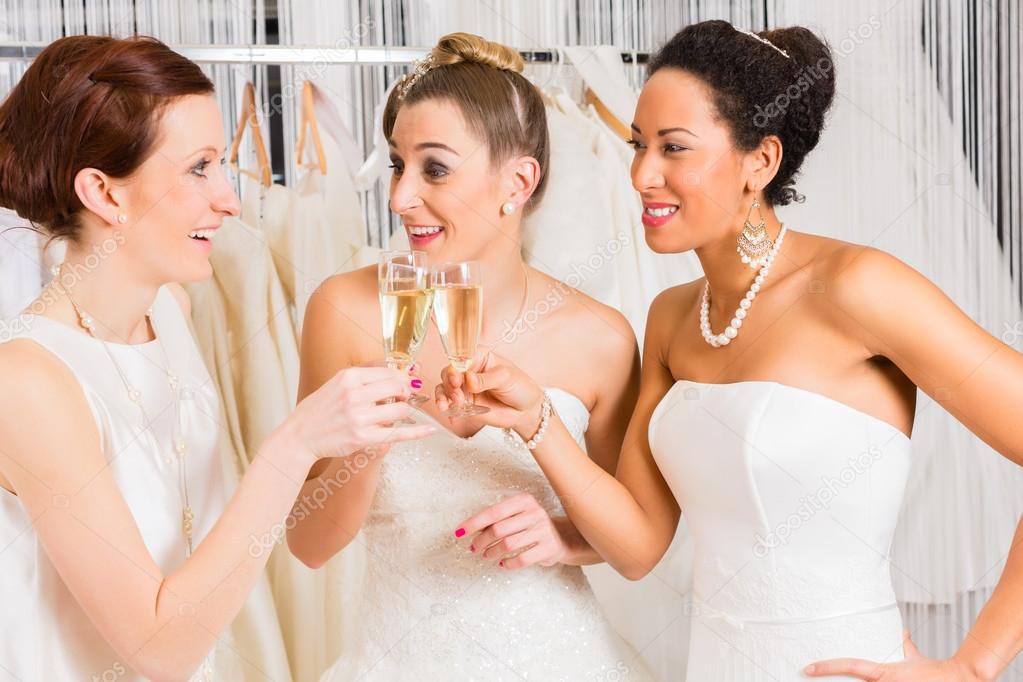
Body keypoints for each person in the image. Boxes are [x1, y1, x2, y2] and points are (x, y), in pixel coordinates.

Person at [437, 20, 1023, 681]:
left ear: (760, 161)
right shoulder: (671, 319)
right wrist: (534, 420)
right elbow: (636, 546)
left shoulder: (857, 288)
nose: (641, 173)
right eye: (637, 144)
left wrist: (975, 665)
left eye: (673, 148)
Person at [0, 35, 431, 681]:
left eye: (222, 165)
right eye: (199, 167)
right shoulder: (27, 380)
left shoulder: (171, 310)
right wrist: (292, 448)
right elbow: (156, 649)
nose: (230, 199)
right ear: (104, 193)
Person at [288, 32, 650, 681]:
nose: (399, 198)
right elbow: (308, 546)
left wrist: (560, 522)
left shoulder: (600, 337)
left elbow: (635, 549)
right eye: (397, 164)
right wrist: (369, 443)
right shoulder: (344, 310)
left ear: (517, 181)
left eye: (433, 168)